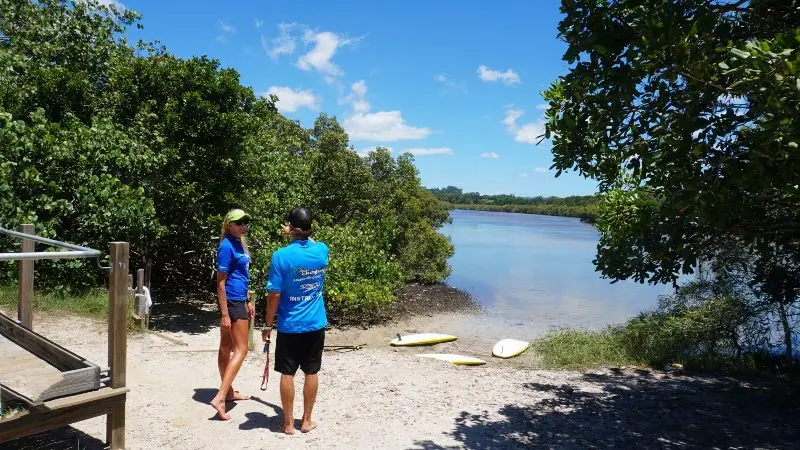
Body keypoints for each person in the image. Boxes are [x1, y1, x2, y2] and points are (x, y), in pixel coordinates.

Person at [262, 207, 329, 435]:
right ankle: (307, 421)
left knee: (287, 373)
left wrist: (268, 324)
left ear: (290, 228)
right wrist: (295, 233)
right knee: (311, 371)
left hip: (290, 324)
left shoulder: (281, 256)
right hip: (315, 322)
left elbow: (274, 295)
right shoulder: (322, 250)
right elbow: (310, 240)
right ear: (311, 228)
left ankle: (288, 423)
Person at [209, 208, 255, 420]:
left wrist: (248, 299)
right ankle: (220, 397)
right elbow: (220, 282)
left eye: (245, 222)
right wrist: (225, 314)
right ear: (229, 225)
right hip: (232, 302)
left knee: (226, 347)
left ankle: (228, 392)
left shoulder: (239, 243)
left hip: (239, 299)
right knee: (241, 349)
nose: (243, 225)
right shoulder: (226, 246)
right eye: (239, 223)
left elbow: (242, 275)